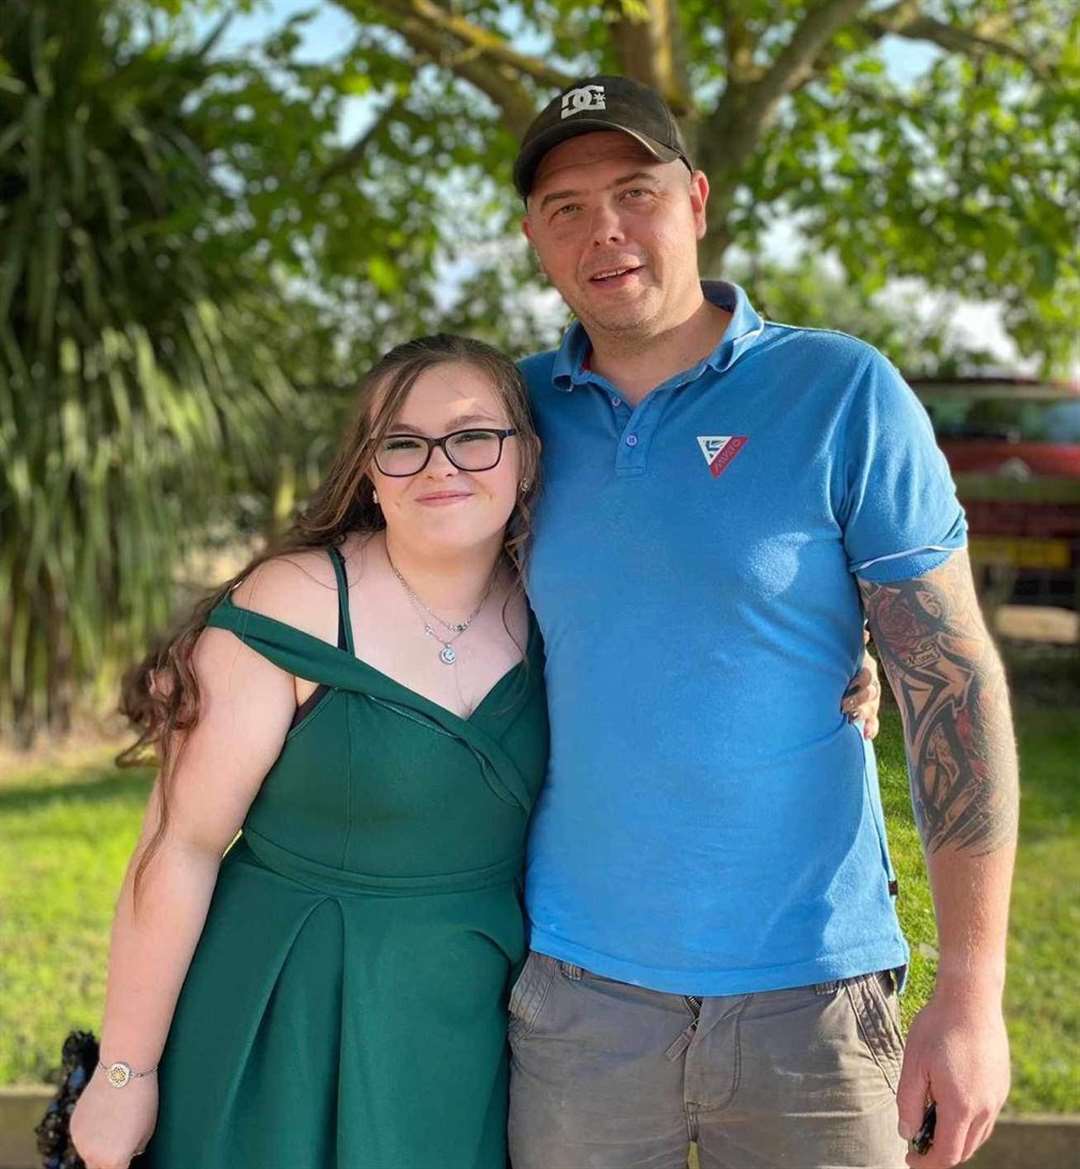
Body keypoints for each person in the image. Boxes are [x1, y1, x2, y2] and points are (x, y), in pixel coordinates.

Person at [65, 328, 886, 1169]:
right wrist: (127, 1070)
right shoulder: (295, 601)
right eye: (403, 444)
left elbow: (706, 641)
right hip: (283, 1003)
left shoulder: (551, 599)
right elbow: (181, 845)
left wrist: (844, 659)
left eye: (472, 437)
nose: (439, 465)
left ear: (526, 459)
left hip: (464, 1015)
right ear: (369, 472)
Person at [508, 76, 1019, 1169]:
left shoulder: (840, 391)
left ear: (695, 200)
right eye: (566, 207)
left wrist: (972, 994)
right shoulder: (502, 418)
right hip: (575, 994)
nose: (604, 228)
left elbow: (952, 682)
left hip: (816, 996)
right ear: (535, 240)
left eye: (634, 192)